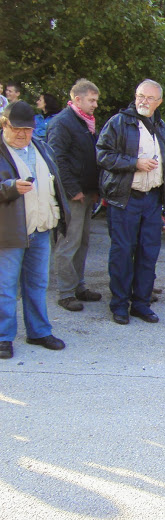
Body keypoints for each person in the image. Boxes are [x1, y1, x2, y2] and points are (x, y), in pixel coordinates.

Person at [96, 79, 165, 325]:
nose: (143, 101)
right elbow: (102, 154)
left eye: (149, 98)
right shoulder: (119, 122)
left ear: (159, 102)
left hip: (152, 199)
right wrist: (134, 163)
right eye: (140, 96)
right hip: (125, 199)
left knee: (148, 253)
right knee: (122, 253)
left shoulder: (160, 125)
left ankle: (141, 304)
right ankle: (120, 305)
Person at [0, 101, 70, 360]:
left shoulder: (42, 147)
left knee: (38, 284)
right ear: (4, 125)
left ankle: (39, 331)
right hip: (8, 233)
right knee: (5, 287)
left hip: (40, 229)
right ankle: (3, 337)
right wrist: (9, 188)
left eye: (27, 129)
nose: (22, 134)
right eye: (16, 128)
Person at [47, 79, 102, 313]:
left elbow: (90, 158)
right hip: (73, 194)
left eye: (96, 100)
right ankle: (66, 293)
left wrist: (95, 189)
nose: (95, 105)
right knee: (69, 243)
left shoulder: (85, 122)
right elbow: (56, 158)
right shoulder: (63, 122)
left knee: (82, 242)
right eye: (92, 100)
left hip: (87, 192)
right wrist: (72, 189)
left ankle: (79, 287)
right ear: (77, 99)